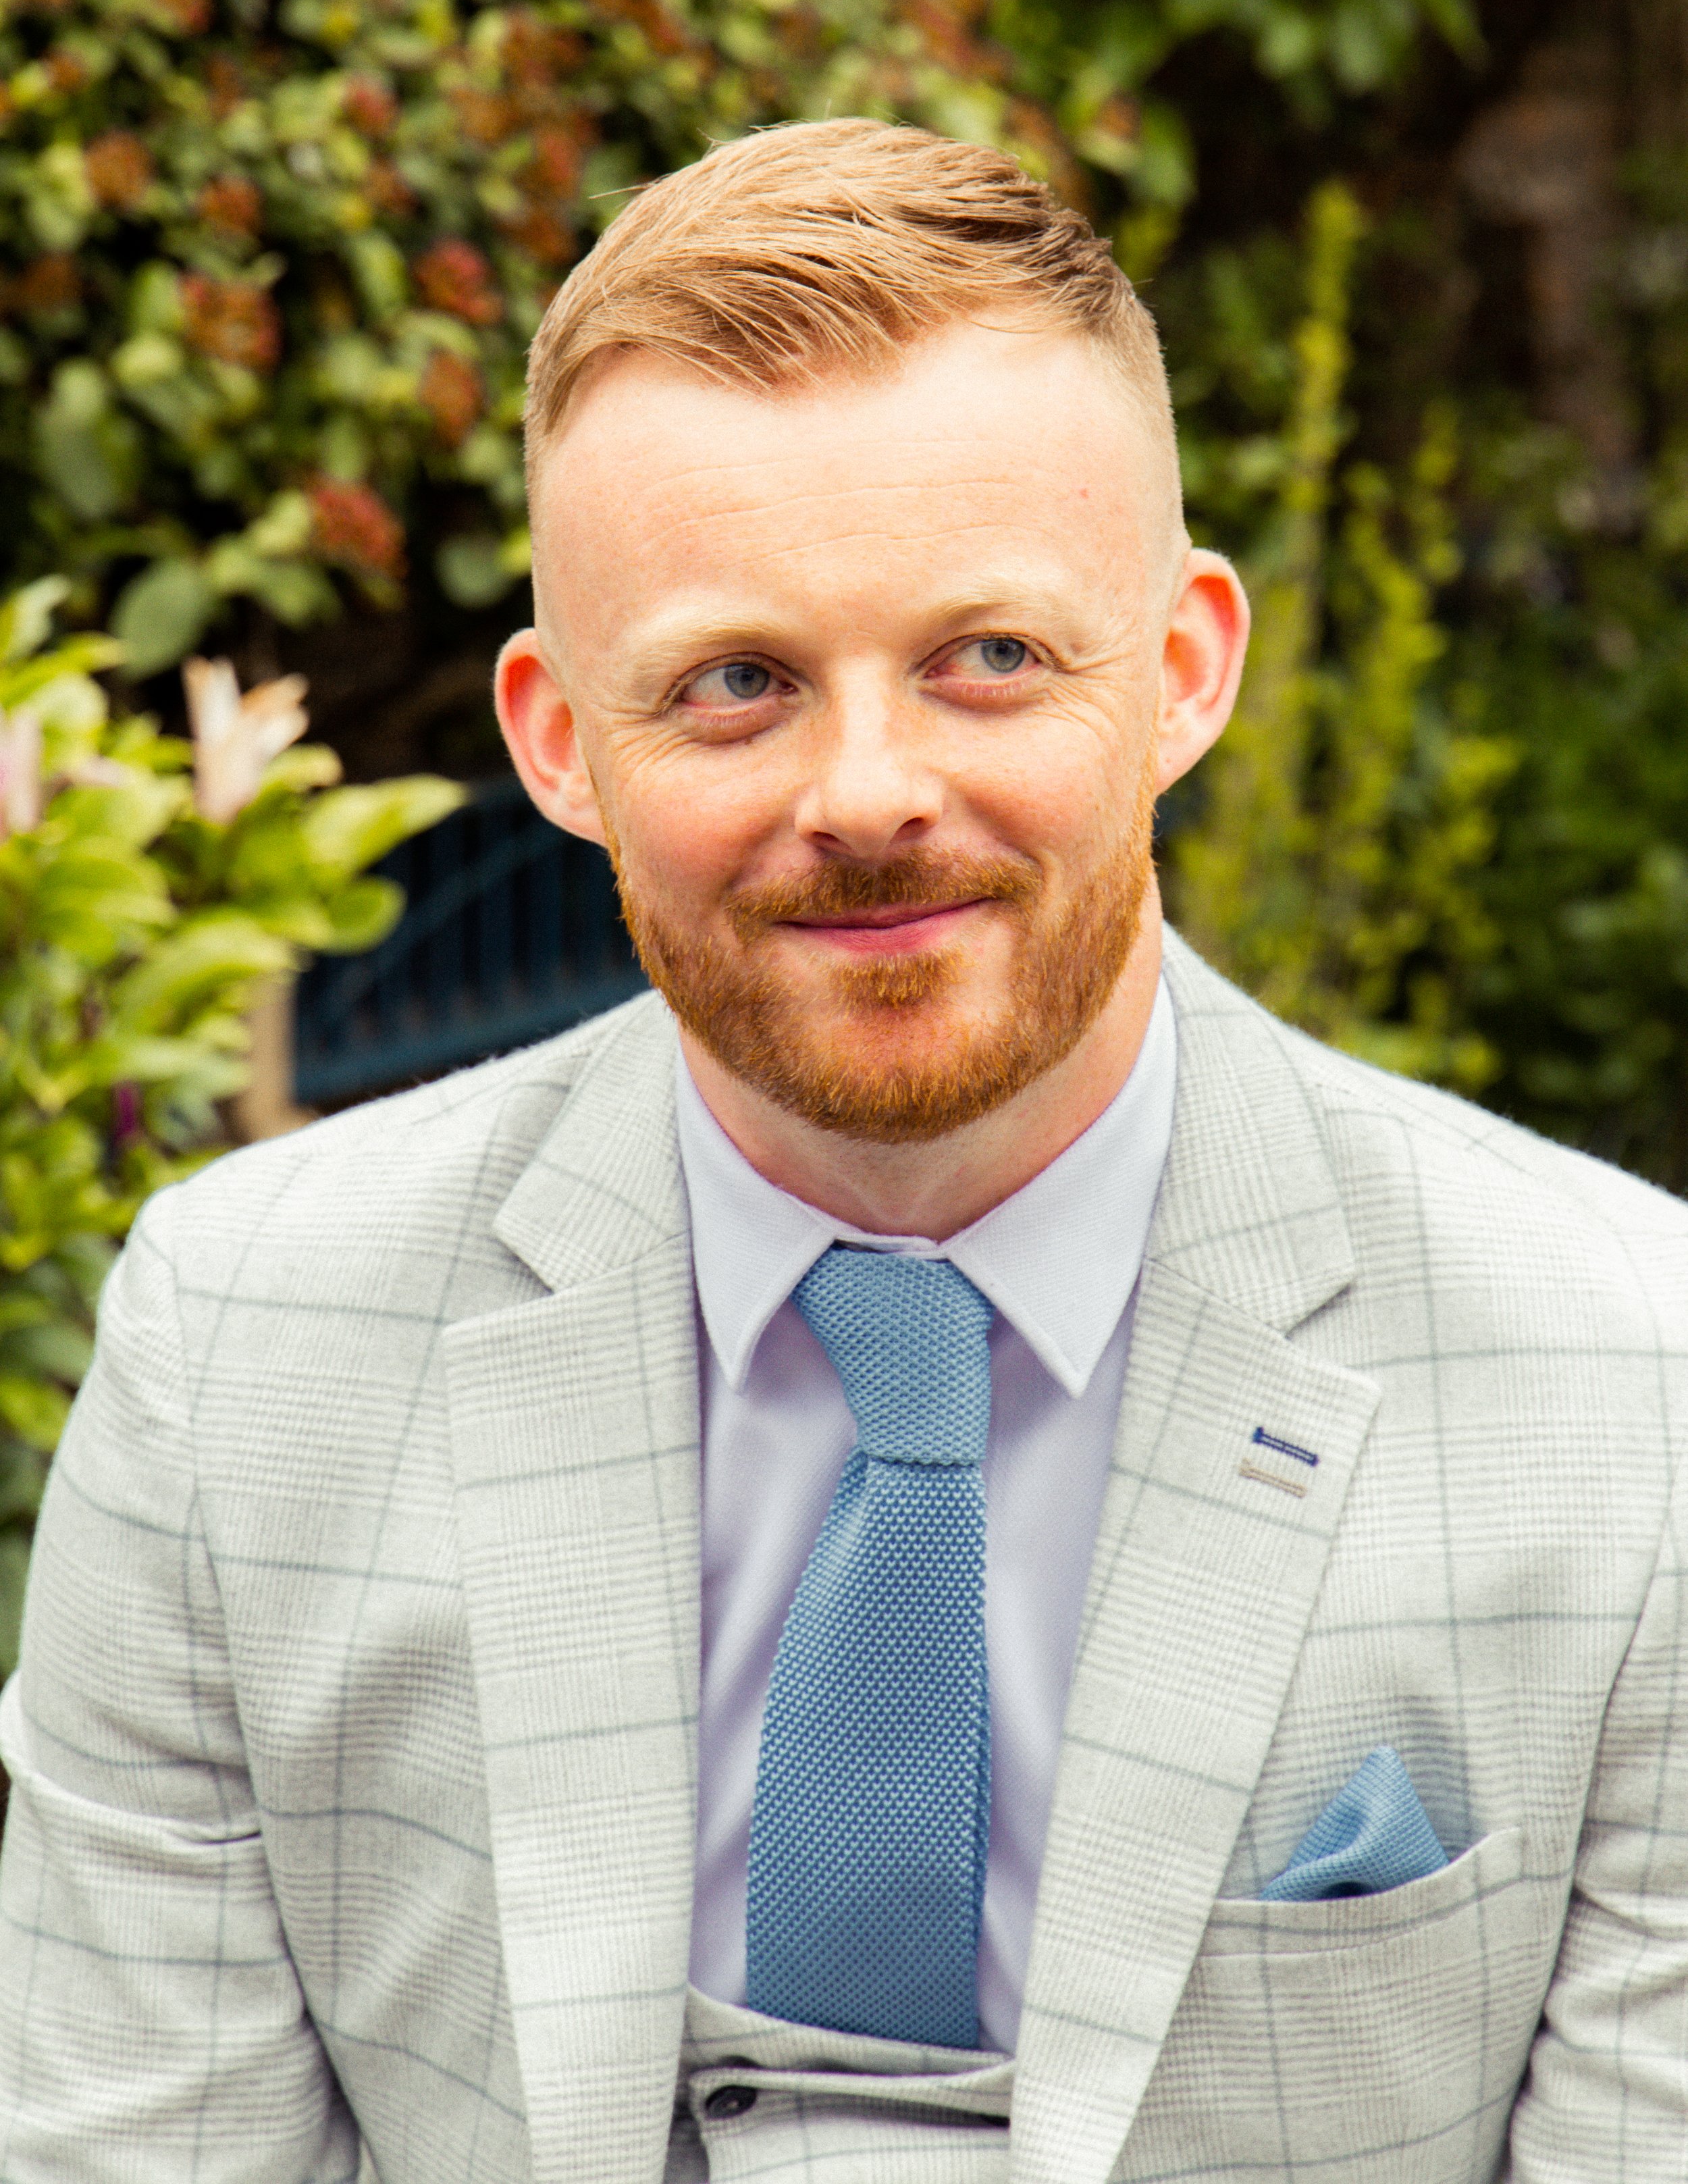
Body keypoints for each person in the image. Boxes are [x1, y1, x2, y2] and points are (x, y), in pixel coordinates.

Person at [1, 120, 1685, 2184]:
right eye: (735, 684)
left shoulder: (1632, 1389)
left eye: (987, 656)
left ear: (1179, 672)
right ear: (554, 744)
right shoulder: (245, 1348)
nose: (870, 794)